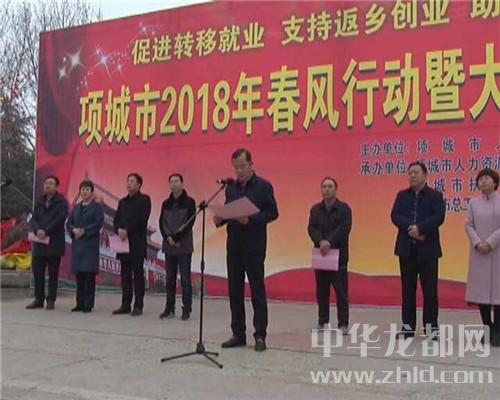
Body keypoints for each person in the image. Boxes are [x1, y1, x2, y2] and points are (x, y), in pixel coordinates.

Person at [214, 149, 279, 352]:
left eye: (242, 166)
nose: (239, 171)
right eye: (236, 167)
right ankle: (238, 333)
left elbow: (272, 213)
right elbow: (229, 210)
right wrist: (220, 218)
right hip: (234, 245)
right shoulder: (231, 188)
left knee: (257, 290)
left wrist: (250, 219)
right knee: (235, 290)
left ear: (251, 164)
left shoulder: (263, 186)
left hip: (254, 246)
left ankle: (260, 335)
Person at [390, 161, 445, 339]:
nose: (412, 176)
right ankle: (408, 327)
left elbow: (438, 217)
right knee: (408, 290)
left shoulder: (435, 196)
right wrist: (411, 229)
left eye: (415, 172)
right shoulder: (402, 195)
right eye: (410, 173)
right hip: (406, 249)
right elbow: (395, 215)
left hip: (428, 250)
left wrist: (420, 229)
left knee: (430, 291)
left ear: (425, 175)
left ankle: (431, 329)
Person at [308, 177, 352, 333]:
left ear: (336, 189)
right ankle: (323, 322)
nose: (327, 189)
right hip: (321, 255)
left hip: (338, 256)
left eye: (330, 186)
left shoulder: (344, 209)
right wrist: (320, 241)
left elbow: (344, 228)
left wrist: (329, 242)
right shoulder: (315, 209)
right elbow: (311, 228)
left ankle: (343, 324)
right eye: (324, 186)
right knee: (322, 291)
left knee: (341, 292)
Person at [465, 168, 500, 346]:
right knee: (482, 293)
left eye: (487, 178)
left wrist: (491, 242)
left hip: (497, 251)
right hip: (479, 253)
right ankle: (487, 328)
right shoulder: (473, 203)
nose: (483, 181)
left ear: (495, 182)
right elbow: (469, 225)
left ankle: (498, 330)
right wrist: (478, 243)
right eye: (480, 179)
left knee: (498, 293)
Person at [26, 176, 69, 310]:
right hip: (39, 242)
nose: (48, 186)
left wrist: (46, 231)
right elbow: (33, 219)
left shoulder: (61, 201)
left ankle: (51, 299)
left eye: (51, 183)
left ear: (57, 186)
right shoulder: (39, 201)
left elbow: (60, 219)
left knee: (53, 273)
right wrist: (37, 229)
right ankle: (39, 298)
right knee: (37, 271)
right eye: (46, 183)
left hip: (54, 242)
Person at [112, 173, 151, 316]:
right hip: (123, 244)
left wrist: (127, 230)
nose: (129, 183)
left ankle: (138, 305)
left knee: (138, 275)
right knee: (125, 275)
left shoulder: (144, 200)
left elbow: (141, 219)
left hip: (137, 242)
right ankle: (125, 304)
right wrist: (118, 229)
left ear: (139, 185)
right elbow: (116, 219)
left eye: (132, 181)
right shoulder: (122, 202)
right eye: (127, 181)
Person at [159, 173, 196, 320]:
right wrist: (168, 237)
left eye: (176, 181)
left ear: (182, 183)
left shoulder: (190, 202)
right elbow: (162, 222)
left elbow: (190, 222)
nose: (174, 184)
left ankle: (186, 309)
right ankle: (169, 308)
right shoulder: (165, 203)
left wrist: (177, 238)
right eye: (171, 182)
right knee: (170, 279)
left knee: (185, 279)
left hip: (183, 245)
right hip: (169, 245)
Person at [66, 180, 104, 313]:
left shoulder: (97, 207)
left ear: (91, 192)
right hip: (78, 245)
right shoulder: (76, 207)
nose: (84, 192)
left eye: (87, 189)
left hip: (90, 244)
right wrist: (73, 230)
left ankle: (88, 304)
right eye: (82, 189)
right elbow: (69, 223)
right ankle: (79, 303)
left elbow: (98, 223)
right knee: (80, 275)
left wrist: (85, 230)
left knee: (89, 275)